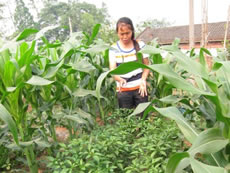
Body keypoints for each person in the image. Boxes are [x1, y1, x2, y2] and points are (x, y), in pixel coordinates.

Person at [109, 17, 150, 110]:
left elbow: (147, 65)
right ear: (117, 33)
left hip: (140, 88)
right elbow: (112, 70)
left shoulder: (140, 45)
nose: (125, 37)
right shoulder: (113, 48)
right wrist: (119, 79)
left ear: (132, 31)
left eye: (127, 33)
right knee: (125, 120)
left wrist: (143, 80)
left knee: (142, 119)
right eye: (121, 34)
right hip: (123, 90)